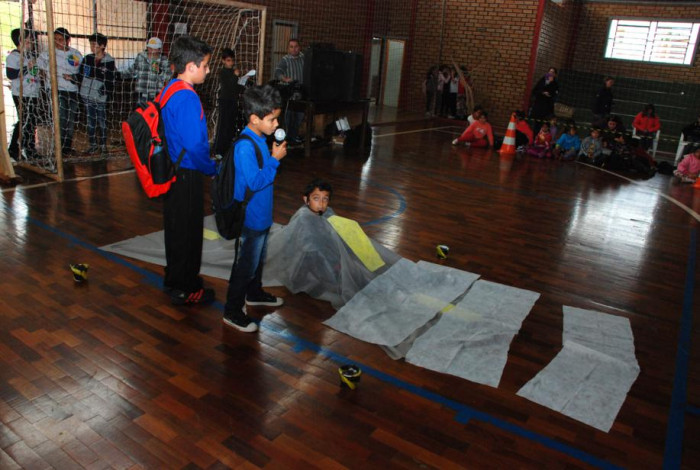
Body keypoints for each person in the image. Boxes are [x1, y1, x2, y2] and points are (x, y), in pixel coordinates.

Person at [262, 179, 401, 310]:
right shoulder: (304, 218)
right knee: (347, 277)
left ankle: (374, 287)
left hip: (323, 254)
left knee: (356, 268)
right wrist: (335, 263)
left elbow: (336, 232)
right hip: (306, 260)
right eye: (316, 198)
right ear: (306, 200)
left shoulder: (326, 212)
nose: (321, 204)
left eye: (325, 199)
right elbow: (310, 250)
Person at [223, 85, 287, 332]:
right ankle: (232, 310)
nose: (276, 124)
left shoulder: (260, 138)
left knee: (258, 258)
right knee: (246, 265)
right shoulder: (245, 146)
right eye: (272, 119)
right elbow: (256, 182)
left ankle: (254, 292)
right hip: (251, 218)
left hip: (262, 214)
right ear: (254, 119)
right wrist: (274, 160)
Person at [160, 36, 217, 305]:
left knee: (176, 227)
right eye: (205, 65)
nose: (208, 70)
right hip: (187, 172)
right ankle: (187, 286)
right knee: (189, 232)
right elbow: (195, 145)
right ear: (191, 66)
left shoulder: (170, 88)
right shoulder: (186, 97)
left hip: (173, 169)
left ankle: (175, 277)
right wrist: (211, 168)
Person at [38, 27, 83, 155]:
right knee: (61, 118)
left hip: (73, 91)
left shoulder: (76, 54)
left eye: (60, 39)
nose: (57, 42)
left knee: (70, 119)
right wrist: (48, 80)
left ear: (68, 40)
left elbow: (81, 73)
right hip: (56, 90)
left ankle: (67, 146)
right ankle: (58, 146)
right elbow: (40, 70)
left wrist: (73, 78)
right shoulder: (47, 54)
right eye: (55, 39)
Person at [78, 33, 115, 155]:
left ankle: (103, 145)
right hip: (87, 96)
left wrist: (102, 91)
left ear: (102, 46)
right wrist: (72, 78)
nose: (92, 47)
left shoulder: (109, 61)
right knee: (90, 122)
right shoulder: (87, 58)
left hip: (100, 98)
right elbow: (80, 74)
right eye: (91, 44)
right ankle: (93, 145)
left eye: (95, 44)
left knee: (102, 121)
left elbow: (110, 80)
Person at [6, 28, 39, 161]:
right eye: (29, 39)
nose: (32, 41)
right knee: (24, 120)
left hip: (33, 93)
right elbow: (11, 74)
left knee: (32, 121)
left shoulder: (30, 56)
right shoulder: (13, 56)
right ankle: (13, 148)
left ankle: (30, 148)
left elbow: (34, 72)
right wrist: (27, 68)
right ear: (22, 41)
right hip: (21, 94)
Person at [122, 37, 170, 104]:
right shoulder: (141, 57)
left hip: (156, 94)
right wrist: (119, 74)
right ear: (147, 47)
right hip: (142, 93)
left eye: (154, 48)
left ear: (159, 49)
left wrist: (160, 72)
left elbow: (168, 78)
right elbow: (132, 71)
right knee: (141, 110)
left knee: (155, 110)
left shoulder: (164, 61)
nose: (151, 50)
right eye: (150, 48)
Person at [214, 47, 243, 156]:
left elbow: (236, 88)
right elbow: (228, 85)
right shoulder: (223, 72)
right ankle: (218, 150)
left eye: (232, 60)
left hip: (233, 101)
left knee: (230, 126)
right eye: (228, 60)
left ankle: (227, 149)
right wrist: (235, 76)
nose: (231, 63)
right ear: (223, 61)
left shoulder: (233, 72)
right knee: (223, 126)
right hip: (225, 101)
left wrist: (242, 82)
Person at [274, 39, 304, 144]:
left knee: (299, 116)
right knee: (288, 117)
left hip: (301, 93)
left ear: (299, 47)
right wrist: (285, 79)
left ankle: (294, 137)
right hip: (289, 94)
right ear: (288, 48)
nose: (294, 49)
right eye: (291, 47)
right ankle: (285, 139)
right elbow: (278, 72)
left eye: (296, 46)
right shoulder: (285, 60)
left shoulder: (304, 58)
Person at [530, 67, 558, 132]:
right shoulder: (542, 80)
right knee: (537, 125)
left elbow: (554, 94)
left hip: (547, 108)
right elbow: (535, 91)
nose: (551, 73)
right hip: (539, 106)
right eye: (550, 71)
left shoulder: (555, 83)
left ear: (555, 74)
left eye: (553, 72)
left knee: (546, 125)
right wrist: (542, 92)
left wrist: (550, 83)